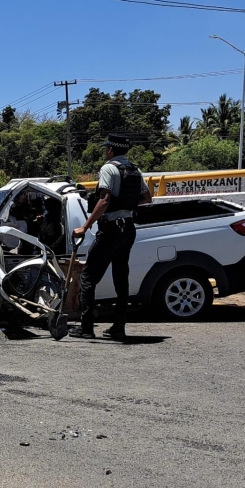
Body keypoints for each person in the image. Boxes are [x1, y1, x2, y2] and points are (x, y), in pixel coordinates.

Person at [69, 134, 152, 340]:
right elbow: (147, 198)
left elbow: (104, 200)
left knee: (88, 277)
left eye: (106, 148)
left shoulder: (108, 168)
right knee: (120, 278)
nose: (105, 152)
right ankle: (119, 327)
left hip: (111, 231)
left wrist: (85, 226)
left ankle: (86, 327)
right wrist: (125, 205)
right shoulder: (134, 170)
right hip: (128, 230)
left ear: (110, 150)